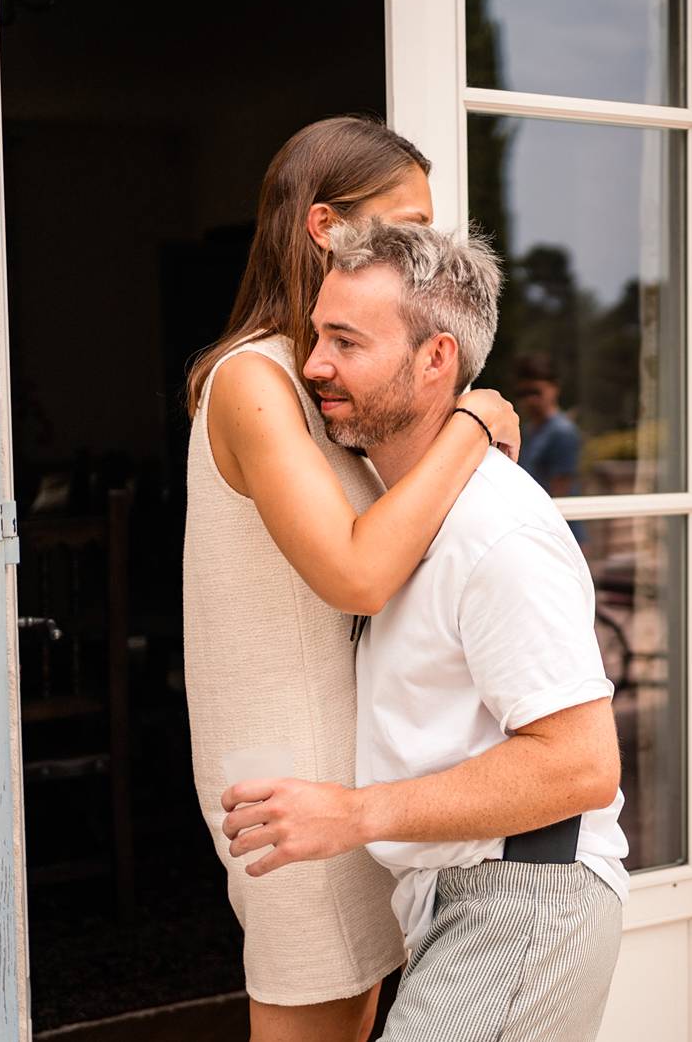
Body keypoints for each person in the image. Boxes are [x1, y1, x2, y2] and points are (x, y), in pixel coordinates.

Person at [219, 219, 627, 1042]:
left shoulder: (499, 531)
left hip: (520, 902)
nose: (313, 366)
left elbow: (581, 764)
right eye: (316, 336)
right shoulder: (405, 518)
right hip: (464, 900)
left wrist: (357, 814)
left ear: (436, 359)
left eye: (345, 341)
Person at [183, 116, 521, 1042]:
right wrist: (473, 426)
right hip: (290, 783)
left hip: (358, 771)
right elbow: (359, 573)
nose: (427, 249)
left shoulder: (327, 381)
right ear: (325, 226)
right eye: (404, 225)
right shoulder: (252, 382)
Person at [514, 352, 583, 498]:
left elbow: (560, 492)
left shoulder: (563, 432)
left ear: (554, 388)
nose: (530, 400)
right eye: (523, 393)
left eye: (536, 392)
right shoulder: (527, 430)